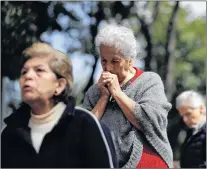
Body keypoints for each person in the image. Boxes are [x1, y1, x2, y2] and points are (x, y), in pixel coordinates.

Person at [1, 42, 117, 168]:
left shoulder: (85, 124)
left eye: (39, 70)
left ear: (59, 85)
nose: (27, 76)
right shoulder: (10, 132)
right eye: (24, 72)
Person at [82, 24, 173, 168]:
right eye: (103, 60)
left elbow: (152, 123)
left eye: (115, 61)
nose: (108, 68)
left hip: (147, 162)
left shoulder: (149, 81)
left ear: (130, 60)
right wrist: (103, 98)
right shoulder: (94, 92)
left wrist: (117, 93)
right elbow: (82, 131)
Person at [176, 90, 206, 168]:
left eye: (188, 114)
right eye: (182, 116)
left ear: (201, 109)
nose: (185, 120)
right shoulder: (190, 132)